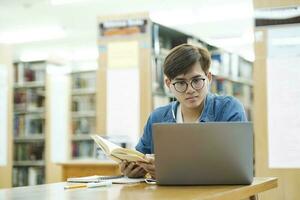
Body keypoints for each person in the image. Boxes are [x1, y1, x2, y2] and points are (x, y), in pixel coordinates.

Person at [120, 43, 247, 178]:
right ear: (169, 84)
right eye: (180, 83)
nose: (190, 89)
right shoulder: (158, 117)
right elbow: (141, 158)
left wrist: (170, 172)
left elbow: (236, 169)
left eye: (197, 80)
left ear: (208, 78)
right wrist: (133, 171)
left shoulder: (228, 109)